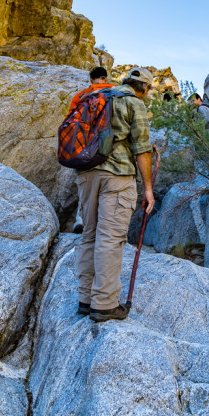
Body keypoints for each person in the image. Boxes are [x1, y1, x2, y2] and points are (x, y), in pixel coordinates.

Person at [76, 66, 155, 322]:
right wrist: (148, 189)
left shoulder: (97, 96)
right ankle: (105, 304)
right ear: (144, 87)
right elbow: (142, 150)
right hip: (117, 176)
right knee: (110, 239)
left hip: (86, 174)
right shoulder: (134, 103)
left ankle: (85, 300)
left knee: (89, 235)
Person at [69, 66, 115, 233]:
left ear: (90, 79)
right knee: (107, 189)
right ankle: (103, 225)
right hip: (108, 148)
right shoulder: (115, 93)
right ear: (106, 78)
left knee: (85, 187)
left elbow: (70, 123)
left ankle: (81, 220)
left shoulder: (80, 97)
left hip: (84, 149)